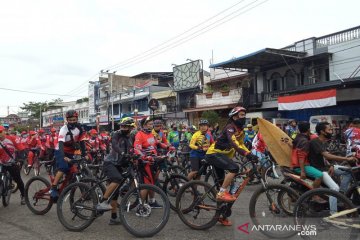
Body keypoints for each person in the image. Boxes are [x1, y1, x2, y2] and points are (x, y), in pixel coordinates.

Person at [205, 106, 258, 226]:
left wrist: (250, 154)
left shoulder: (241, 130)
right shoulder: (230, 128)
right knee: (234, 168)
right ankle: (222, 192)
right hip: (214, 154)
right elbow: (234, 144)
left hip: (223, 156)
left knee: (229, 188)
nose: (244, 117)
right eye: (241, 115)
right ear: (234, 117)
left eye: (245, 115)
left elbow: (241, 144)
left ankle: (221, 215)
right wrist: (247, 154)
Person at [96, 117, 135, 225]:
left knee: (115, 192)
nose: (123, 128)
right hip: (110, 163)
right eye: (122, 126)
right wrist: (122, 153)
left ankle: (113, 218)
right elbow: (114, 145)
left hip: (121, 164)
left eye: (126, 126)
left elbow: (135, 148)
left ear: (131, 127)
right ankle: (103, 202)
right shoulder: (116, 134)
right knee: (117, 179)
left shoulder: (131, 136)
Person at [309, 122, 356, 195]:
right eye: (329, 130)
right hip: (319, 169)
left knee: (349, 172)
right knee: (335, 189)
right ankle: (335, 204)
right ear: (322, 132)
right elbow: (327, 156)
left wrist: (331, 164)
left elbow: (327, 156)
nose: (332, 132)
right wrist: (346, 159)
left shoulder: (324, 142)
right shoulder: (315, 142)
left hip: (326, 167)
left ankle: (342, 194)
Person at [50, 110, 88, 201]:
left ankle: (68, 187)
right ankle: (53, 187)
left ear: (77, 119)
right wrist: (63, 156)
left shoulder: (80, 128)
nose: (72, 121)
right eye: (70, 120)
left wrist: (84, 154)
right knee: (63, 167)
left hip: (71, 151)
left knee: (73, 170)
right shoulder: (64, 129)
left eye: (74, 119)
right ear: (67, 120)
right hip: (60, 149)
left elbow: (82, 142)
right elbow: (61, 144)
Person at [134, 117, 168, 211]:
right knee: (146, 185)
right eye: (149, 124)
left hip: (153, 161)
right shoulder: (139, 135)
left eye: (152, 124)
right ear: (144, 125)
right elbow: (137, 148)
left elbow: (157, 143)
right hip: (144, 163)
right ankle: (141, 207)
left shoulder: (150, 134)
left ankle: (152, 202)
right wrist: (144, 156)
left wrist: (168, 146)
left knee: (152, 183)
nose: (151, 125)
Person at [291, 122, 323, 190]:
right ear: (308, 129)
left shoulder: (298, 137)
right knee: (319, 175)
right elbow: (301, 157)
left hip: (297, 164)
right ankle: (314, 195)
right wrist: (303, 171)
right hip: (300, 166)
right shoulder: (304, 141)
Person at [0, 125, 26, 205]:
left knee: (18, 179)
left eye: (0, 132)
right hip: (1, 163)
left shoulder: (13, 139)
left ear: (5, 131)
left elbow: (22, 149)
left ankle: (23, 195)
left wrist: (20, 160)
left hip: (12, 163)